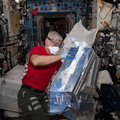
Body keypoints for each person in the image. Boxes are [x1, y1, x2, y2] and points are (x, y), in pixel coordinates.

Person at [17, 31, 68, 120]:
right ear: (47, 41)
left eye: (59, 45)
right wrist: (61, 56)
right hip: (28, 93)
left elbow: (65, 70)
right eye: (55, 44)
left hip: (42, 94)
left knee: (54, 116)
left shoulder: (55, 59)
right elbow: (36, 61)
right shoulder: (38, 50)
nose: (57, 47)